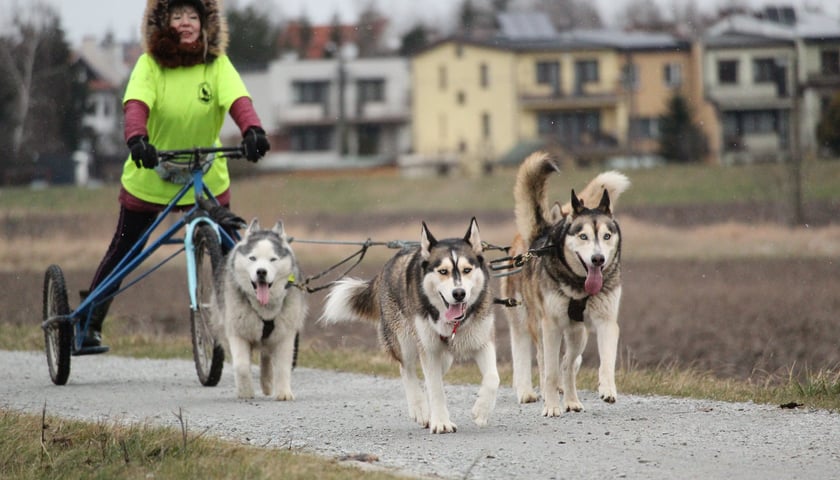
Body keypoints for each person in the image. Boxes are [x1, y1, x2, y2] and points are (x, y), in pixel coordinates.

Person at [80, 0, 269, 352]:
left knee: (234, 250)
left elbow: (238, 100)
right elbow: (136, 105)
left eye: (193, 16)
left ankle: (258, 323)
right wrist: (137, 140)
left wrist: (252, 130)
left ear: (205, 22)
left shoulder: (217, 64)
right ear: (162, 23)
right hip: (152, 175)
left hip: (205, 175)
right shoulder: (149, 66)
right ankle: (89, 322)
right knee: (125, 251)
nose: (186, 23)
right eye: (177, 16)